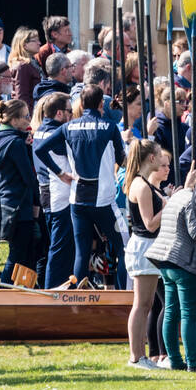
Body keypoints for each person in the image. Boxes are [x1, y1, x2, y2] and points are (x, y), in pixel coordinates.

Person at [63, 85, 126, 285]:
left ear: (81, 104)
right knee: (125, 247)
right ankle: (126, 296)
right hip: (103, 201)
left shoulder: (68, 127)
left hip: (78, 200)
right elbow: (122, 160)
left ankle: (79, 299)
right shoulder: (109, 126)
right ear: (101, 104)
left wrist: (60, 173)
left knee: (81, 251)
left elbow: (41, 150)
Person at [147, 154, 196, 371]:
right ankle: (192, 362)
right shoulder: (191, 201)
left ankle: (174, 359)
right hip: (183, 261)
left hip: (165, 260)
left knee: (171, 311)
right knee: (189, 314)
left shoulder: (177, 197)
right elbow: (194, 232)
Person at [122, 139, 167, 368]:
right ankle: (136, 355)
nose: (162, 159)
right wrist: (169, 205)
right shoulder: (141, 185)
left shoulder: (142, 183)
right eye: (159, 155)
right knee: (142, 304)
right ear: (151, 158)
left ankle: (140, 354)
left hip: (147, 246)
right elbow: (149, 223)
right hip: (144, 246)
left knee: (146, 303)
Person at [0, 99, 40, 284]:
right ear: (14, 120)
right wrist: (37, 202)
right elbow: (29, 177)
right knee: (19, 254)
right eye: (26, 116)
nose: (29, 120)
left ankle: (19, 291)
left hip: (1, 201)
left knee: (17, 252)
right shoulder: (15, 144)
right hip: (19, 205)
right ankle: (7, 291)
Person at [31, 93, 74, 289]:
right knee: (59, 247)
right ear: (59, 113)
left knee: (57, 245)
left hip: (47, 192)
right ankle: (52, 290)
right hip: (57, 195)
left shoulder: (40, 129)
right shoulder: (54, 134)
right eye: (70, 112)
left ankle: (58, 286)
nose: (72, 116)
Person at [9, 27, 43, 110]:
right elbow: (21, 97)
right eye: (35, 40)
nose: (39, 43)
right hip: (28, 115)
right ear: (24, 44)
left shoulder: (32, 63)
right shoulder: (23, 66)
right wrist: (27, 118)